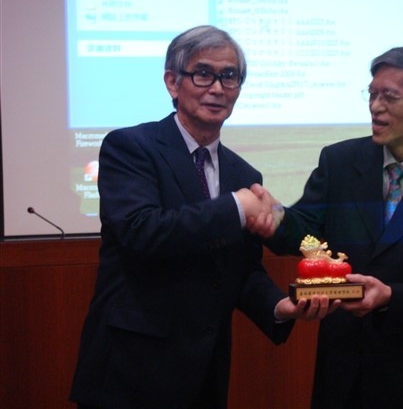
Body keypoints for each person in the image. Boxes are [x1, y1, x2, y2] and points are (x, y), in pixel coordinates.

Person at [70, 25, 331, 409]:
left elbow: (239, 268)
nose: (217, 88)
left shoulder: (243, 175)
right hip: (130, 370)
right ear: (172, 82)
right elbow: (144, 232)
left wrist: (279, 307)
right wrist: (236, 207)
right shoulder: (130, 147)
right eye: (203, 73)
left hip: (203, 372)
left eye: (230, 76)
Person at [250, 46, 403, 408]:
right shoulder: (339, 162)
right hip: (343, 366)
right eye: (372, 93)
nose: (375, 106)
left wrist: (390, 297)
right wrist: (277, 222)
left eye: (390, 97)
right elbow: (309, 235)